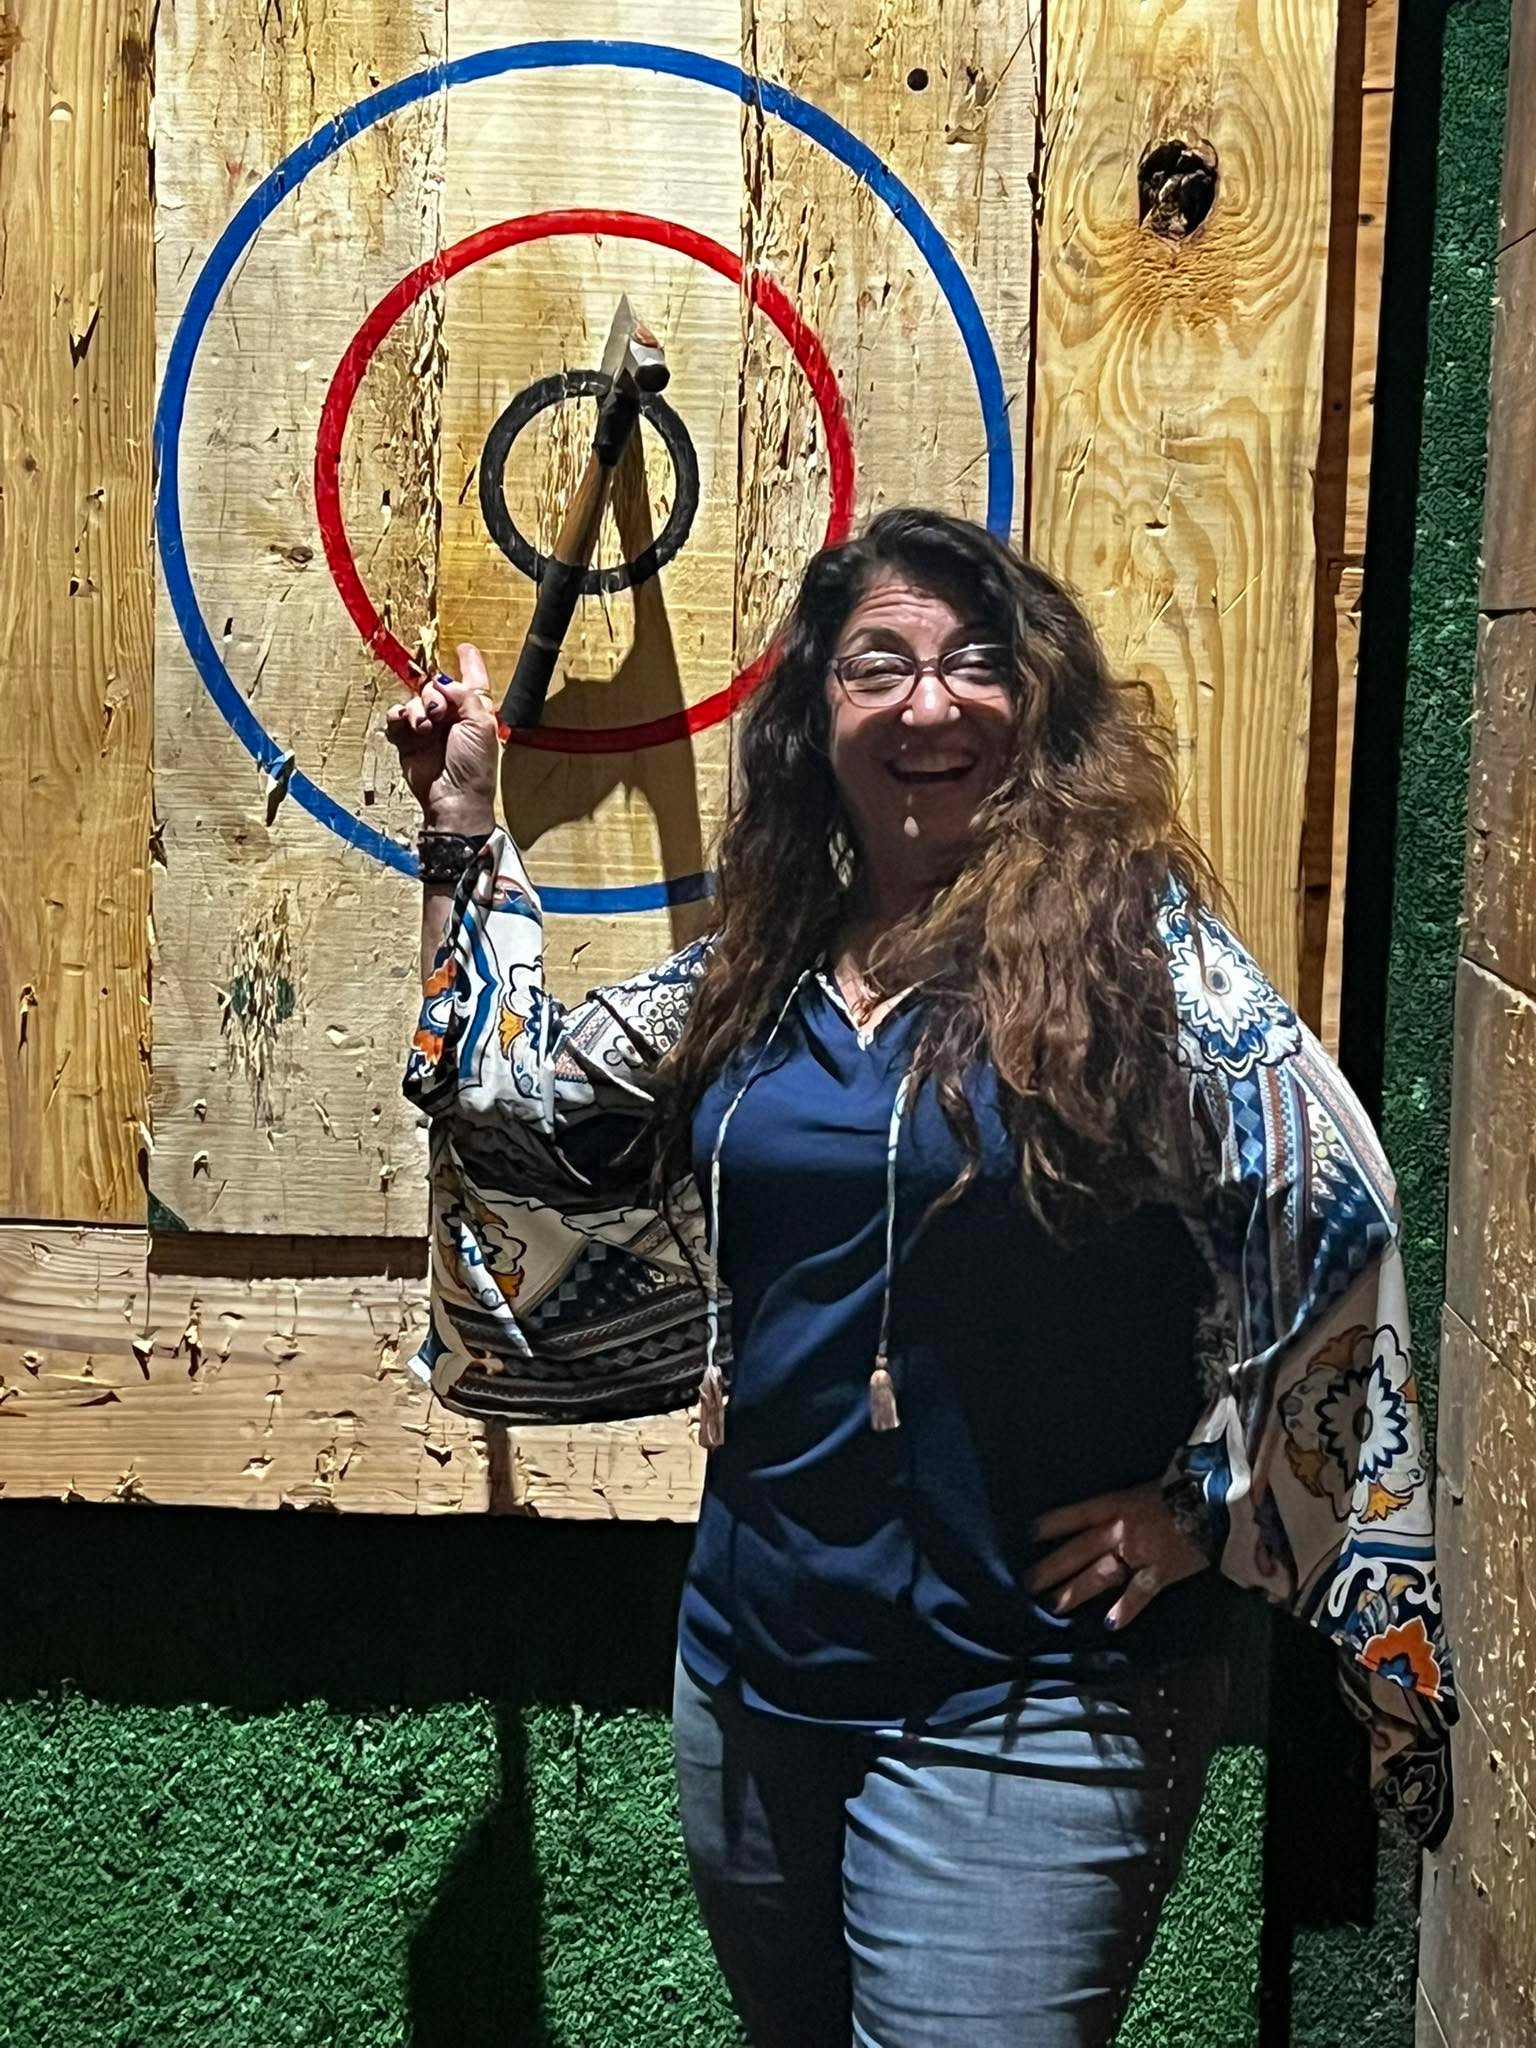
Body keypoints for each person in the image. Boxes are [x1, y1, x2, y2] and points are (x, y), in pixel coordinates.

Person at [388, 509, 1454, 2047]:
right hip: (753, 1686)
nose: (930, 704)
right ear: (820, 723)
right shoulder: (758, 968)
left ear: (1039, 706)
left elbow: (1335, 1207)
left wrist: (1217, 1508)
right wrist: (464, 826)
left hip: (1032, 1704)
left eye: (974, 663)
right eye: (878, 667)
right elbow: (517, 1106)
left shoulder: (1141, 970)